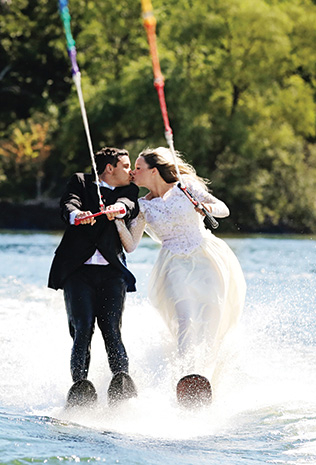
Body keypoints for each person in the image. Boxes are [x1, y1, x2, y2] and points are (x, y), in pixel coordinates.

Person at [115, 147, 246, 384]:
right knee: (185, 317)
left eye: (138, 168)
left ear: (154, 171)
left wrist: (206, 208)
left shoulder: (185, 186)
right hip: (173, 263)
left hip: (206, 255)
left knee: (210, 314)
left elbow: (223, 209)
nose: (133, 173)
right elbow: (131, 245)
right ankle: (186, 375)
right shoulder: (142, 206)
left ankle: (204, 373)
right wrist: (117, 223)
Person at [48, 147, 140, 406]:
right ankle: (80, 386)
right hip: (78, 272)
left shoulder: (128, 190)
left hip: (112, 274)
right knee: (83, 329)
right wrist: (77, 216)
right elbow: (68, 204)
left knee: (111, 329)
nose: (130, 171)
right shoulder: (80, 181)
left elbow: (130, 205)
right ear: (109, 168)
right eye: (125, 165)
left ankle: (122, 382)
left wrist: (119, 209)